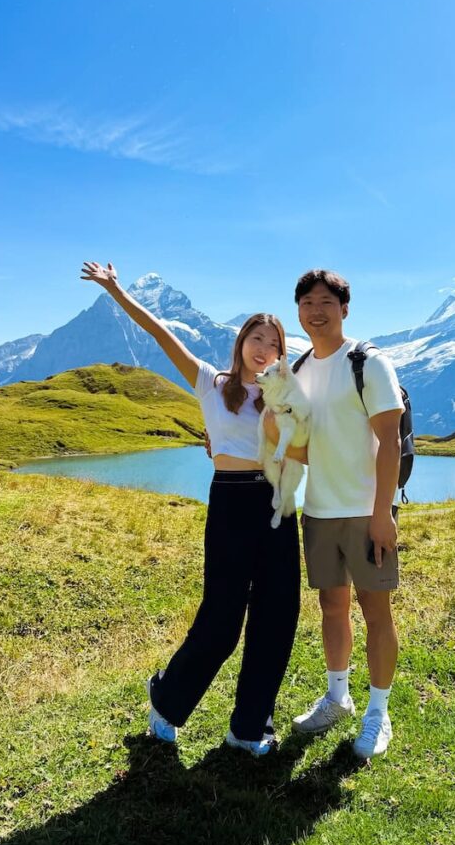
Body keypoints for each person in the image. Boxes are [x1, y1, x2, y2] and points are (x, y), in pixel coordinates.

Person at [80, 260, 301, 757]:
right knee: (222, 618)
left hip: (279, 504)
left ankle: (248, 728)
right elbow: (159, 334)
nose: (264, 350)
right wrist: (115, 290)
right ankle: (167, 699)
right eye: (257, 339)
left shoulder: (283, 396)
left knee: (277, 616)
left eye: (274, 344)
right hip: (230, 501)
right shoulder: (210, 381)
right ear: (241, 342)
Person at [265, 269, 403, 759]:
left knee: (376, 610)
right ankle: (338, 696)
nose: (315, 311)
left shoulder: (367, 362)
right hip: (319, 512)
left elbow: (389, 439)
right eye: (306, 303)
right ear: (297, 311)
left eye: (325, 302)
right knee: (331, 607)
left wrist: (382, 512)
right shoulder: (299, 369)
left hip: (365, 513)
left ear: (344, 308)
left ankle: (378, 713)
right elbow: (304, 446)